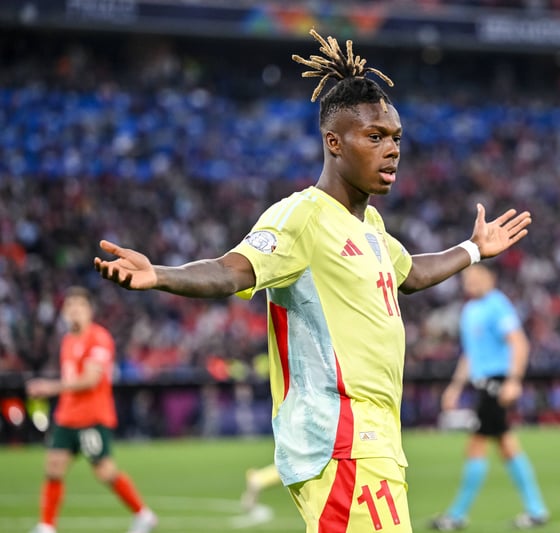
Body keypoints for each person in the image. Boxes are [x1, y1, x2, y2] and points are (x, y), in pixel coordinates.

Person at [94, 28, 531, 533]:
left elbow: (410, 274)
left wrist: (473, 249)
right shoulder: (301, 217)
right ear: (333, 142)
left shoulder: (369, 226)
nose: (391, 149)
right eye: (374, 137)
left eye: (395, 138)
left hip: (373, 438)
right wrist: (159, 275)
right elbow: (232, 269)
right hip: (341, 440)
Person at [25, 286, 157, 533]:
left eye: (80, 305)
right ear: (64, 311)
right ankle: (46, 526)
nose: (74, 310)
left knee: (105, 472)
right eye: (70, 305)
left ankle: (143, 514)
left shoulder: (99, 338)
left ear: (90, 310)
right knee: (53, 467)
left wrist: (50, 387)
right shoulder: (68, 340)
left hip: (92, 417)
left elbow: (90, 380)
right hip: (67, 416)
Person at [431, 263, 549, 530]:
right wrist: (455, 387)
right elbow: (470, 355)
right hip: (482, 385)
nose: (469, 281)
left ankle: (457, 515)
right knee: (506, 445)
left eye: (475, 276)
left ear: (490, 277)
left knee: (477, 445)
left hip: (496, 384)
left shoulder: (498, 305)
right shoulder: (469, 311)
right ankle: (536, 510)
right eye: (466, 277)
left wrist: (513, 380)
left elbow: (519, 343)